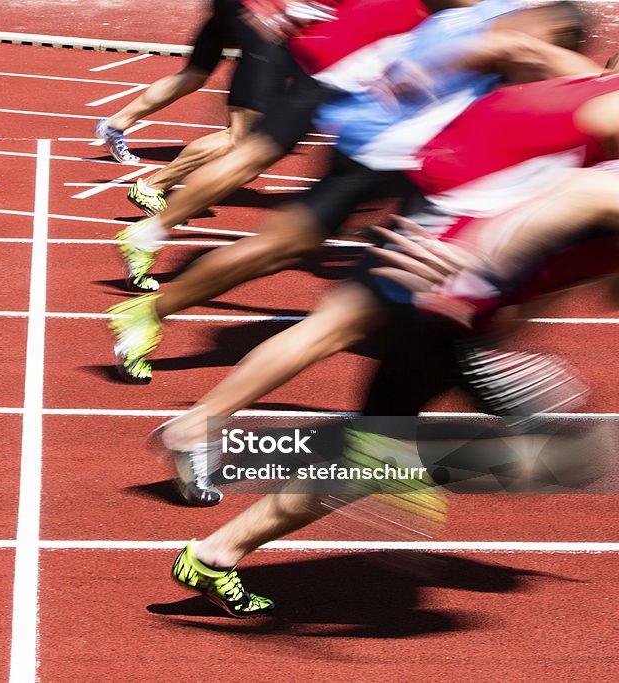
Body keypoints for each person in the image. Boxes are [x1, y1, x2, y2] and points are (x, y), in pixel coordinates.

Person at [160, 69, 619, 507]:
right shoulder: (598, 100)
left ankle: (217, 438)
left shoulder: (581, 78)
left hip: (462, 203)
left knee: (350, 337)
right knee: (349, 335)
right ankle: (217, 445)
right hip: (462, 222)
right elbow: (571, 175)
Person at [108, 0, 594, 384]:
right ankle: (184, 383)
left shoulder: (483, 14)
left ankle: (151, 311)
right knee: (321, 283)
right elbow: (514, 57)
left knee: (288, 254)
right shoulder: (513, 32)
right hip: (393, 157)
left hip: (383, 147)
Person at [93, 0, 319, 172]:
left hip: (228, 7)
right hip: (257, 14)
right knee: (240, 134)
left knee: (194, 74)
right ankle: (163, 184)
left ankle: (115, 123)